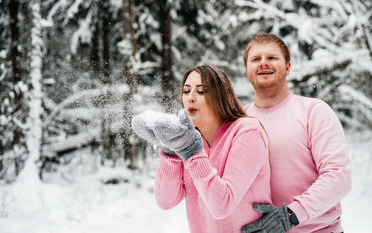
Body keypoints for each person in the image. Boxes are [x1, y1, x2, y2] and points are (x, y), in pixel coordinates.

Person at [131, 65, 272, 233]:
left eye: (201, 91)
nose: (190, 98)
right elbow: (165, 201)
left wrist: (192, 153)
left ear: (220, 96)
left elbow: (222, 205)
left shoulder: (247, 131)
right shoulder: (189, 139)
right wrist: (170, 151)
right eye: (186, 91)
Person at [240, 33, 352, 233]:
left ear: (288, 67)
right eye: (256, 59)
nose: (263, 63)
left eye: (272, 58)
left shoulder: (314, 111)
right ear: (247, 71)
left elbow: (338, 177)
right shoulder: (239, 122)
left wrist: (291, 215)